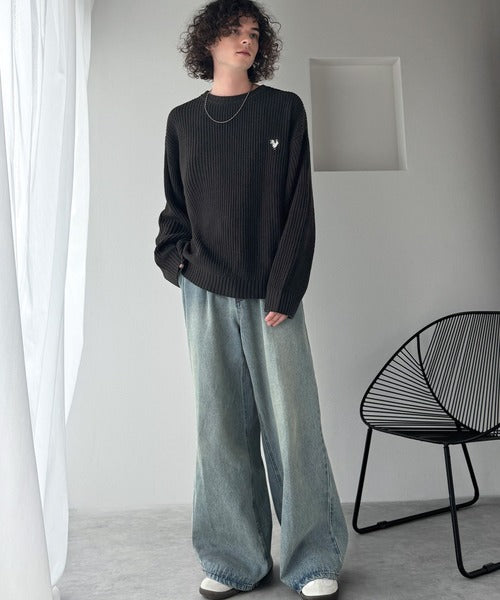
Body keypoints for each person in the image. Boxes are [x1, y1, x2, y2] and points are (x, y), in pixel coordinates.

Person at [154, 1, 348, 598]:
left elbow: (298, 207)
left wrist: (285, 286)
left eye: (254, 32)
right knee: (220, 427)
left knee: (292, 425)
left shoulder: (283, 109)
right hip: (204, 292)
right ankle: (233, 560)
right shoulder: (183, 121)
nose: (246, 40)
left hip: (271, 293)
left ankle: (312, 560)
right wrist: (178, 263)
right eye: (234, 31)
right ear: (207, 41)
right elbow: (175, 208)